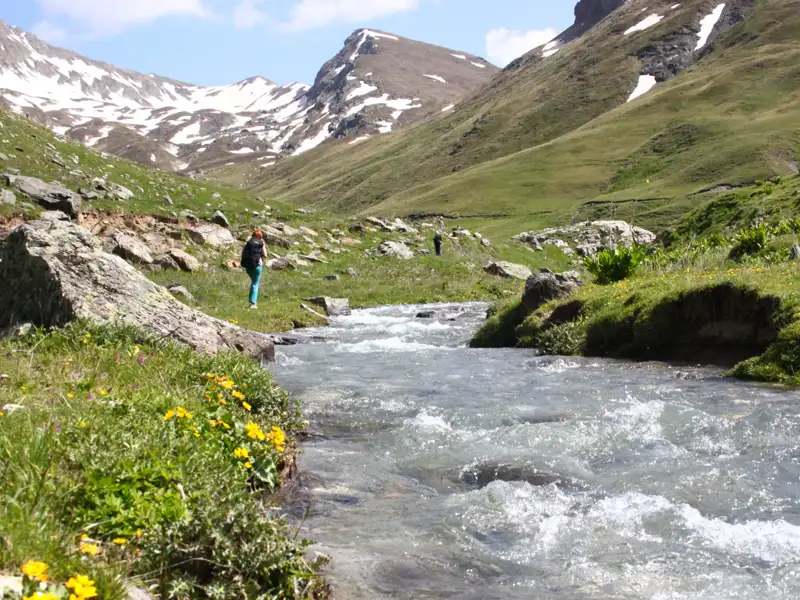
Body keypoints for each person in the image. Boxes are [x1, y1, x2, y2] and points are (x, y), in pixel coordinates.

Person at [240, 230, 268, 309]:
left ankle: (251, 301)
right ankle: (252, 303)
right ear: (260, 236)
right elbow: (265, 255)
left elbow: (242, 254)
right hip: (257, 266)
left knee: (253, 283)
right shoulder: (261, 243)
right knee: (255, 284)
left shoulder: (249, 242)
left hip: (248, 267)